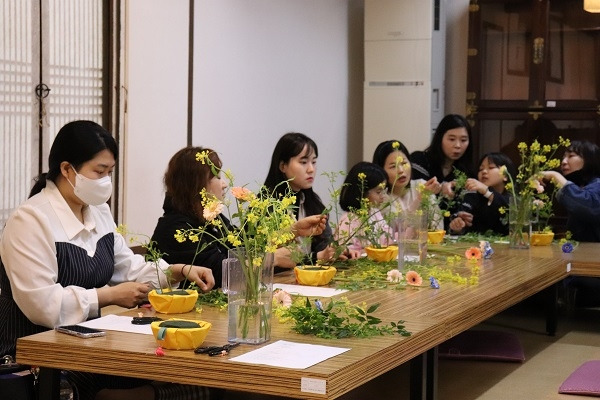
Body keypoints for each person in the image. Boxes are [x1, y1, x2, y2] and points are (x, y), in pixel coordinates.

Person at [0, 121, 217, 400]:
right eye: (99, 172)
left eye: (110, 172)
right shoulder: (30, 220)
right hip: (38, 358)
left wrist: (177, 271)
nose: (105, 181)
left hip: (88, 346)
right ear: (67, 169)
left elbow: (129, 268)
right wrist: (107, 296)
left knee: (176, 375)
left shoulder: (98, 211)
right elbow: (43, 306)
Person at [151, 146, 327, 281]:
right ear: (197, 184)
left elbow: (244, 245)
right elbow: (220, 273)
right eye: (218, 177)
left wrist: (293, 230)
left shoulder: (211, 218)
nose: (224, 184)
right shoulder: (176, 227)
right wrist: (272, 259)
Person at [263, 132, 356, 265]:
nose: (311, 169)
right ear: (283, 166)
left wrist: (338, 251)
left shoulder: (312, 202)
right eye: (304, 162)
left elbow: (323, 244)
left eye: (314, 162)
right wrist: (317, 257)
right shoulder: (266, 204)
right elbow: (278, 259)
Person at [372, 140, 442, 227]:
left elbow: (438, 225)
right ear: (381, 171)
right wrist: (420, 198)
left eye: (404, 163)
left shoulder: (421, 185)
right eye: (393, 166)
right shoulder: (381, 197)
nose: (401, 170)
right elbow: (398, 228)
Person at [541, 140, 600, 242]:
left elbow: (589, 206)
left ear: (589, 159)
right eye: (564, 157)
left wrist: (555, 176)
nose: (563, 162)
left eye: (571, 156)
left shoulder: (597, 184)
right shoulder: (581, 185)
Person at [448, 152, 516, 235]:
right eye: (480, 169)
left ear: (505, 176)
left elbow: (508, 208)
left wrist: (487, 191)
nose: (484, 171)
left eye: (491, 167)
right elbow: (463, 217)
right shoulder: (472, 195)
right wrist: (458, 224)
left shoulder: (514, 198)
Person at [335, 162, 395, 252]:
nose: (383, 196)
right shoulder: (349, 220)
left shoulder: (375, 213)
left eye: (384, 190)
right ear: (362, 193)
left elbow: (388, 239)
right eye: (378, 192)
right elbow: (345, 252)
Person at [409, 114, 474, 197]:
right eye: (452, 139)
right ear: (440, 138)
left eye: (463, 140)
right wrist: (441, 188)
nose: (458, 145)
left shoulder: (467, 174)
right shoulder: (419, 161)